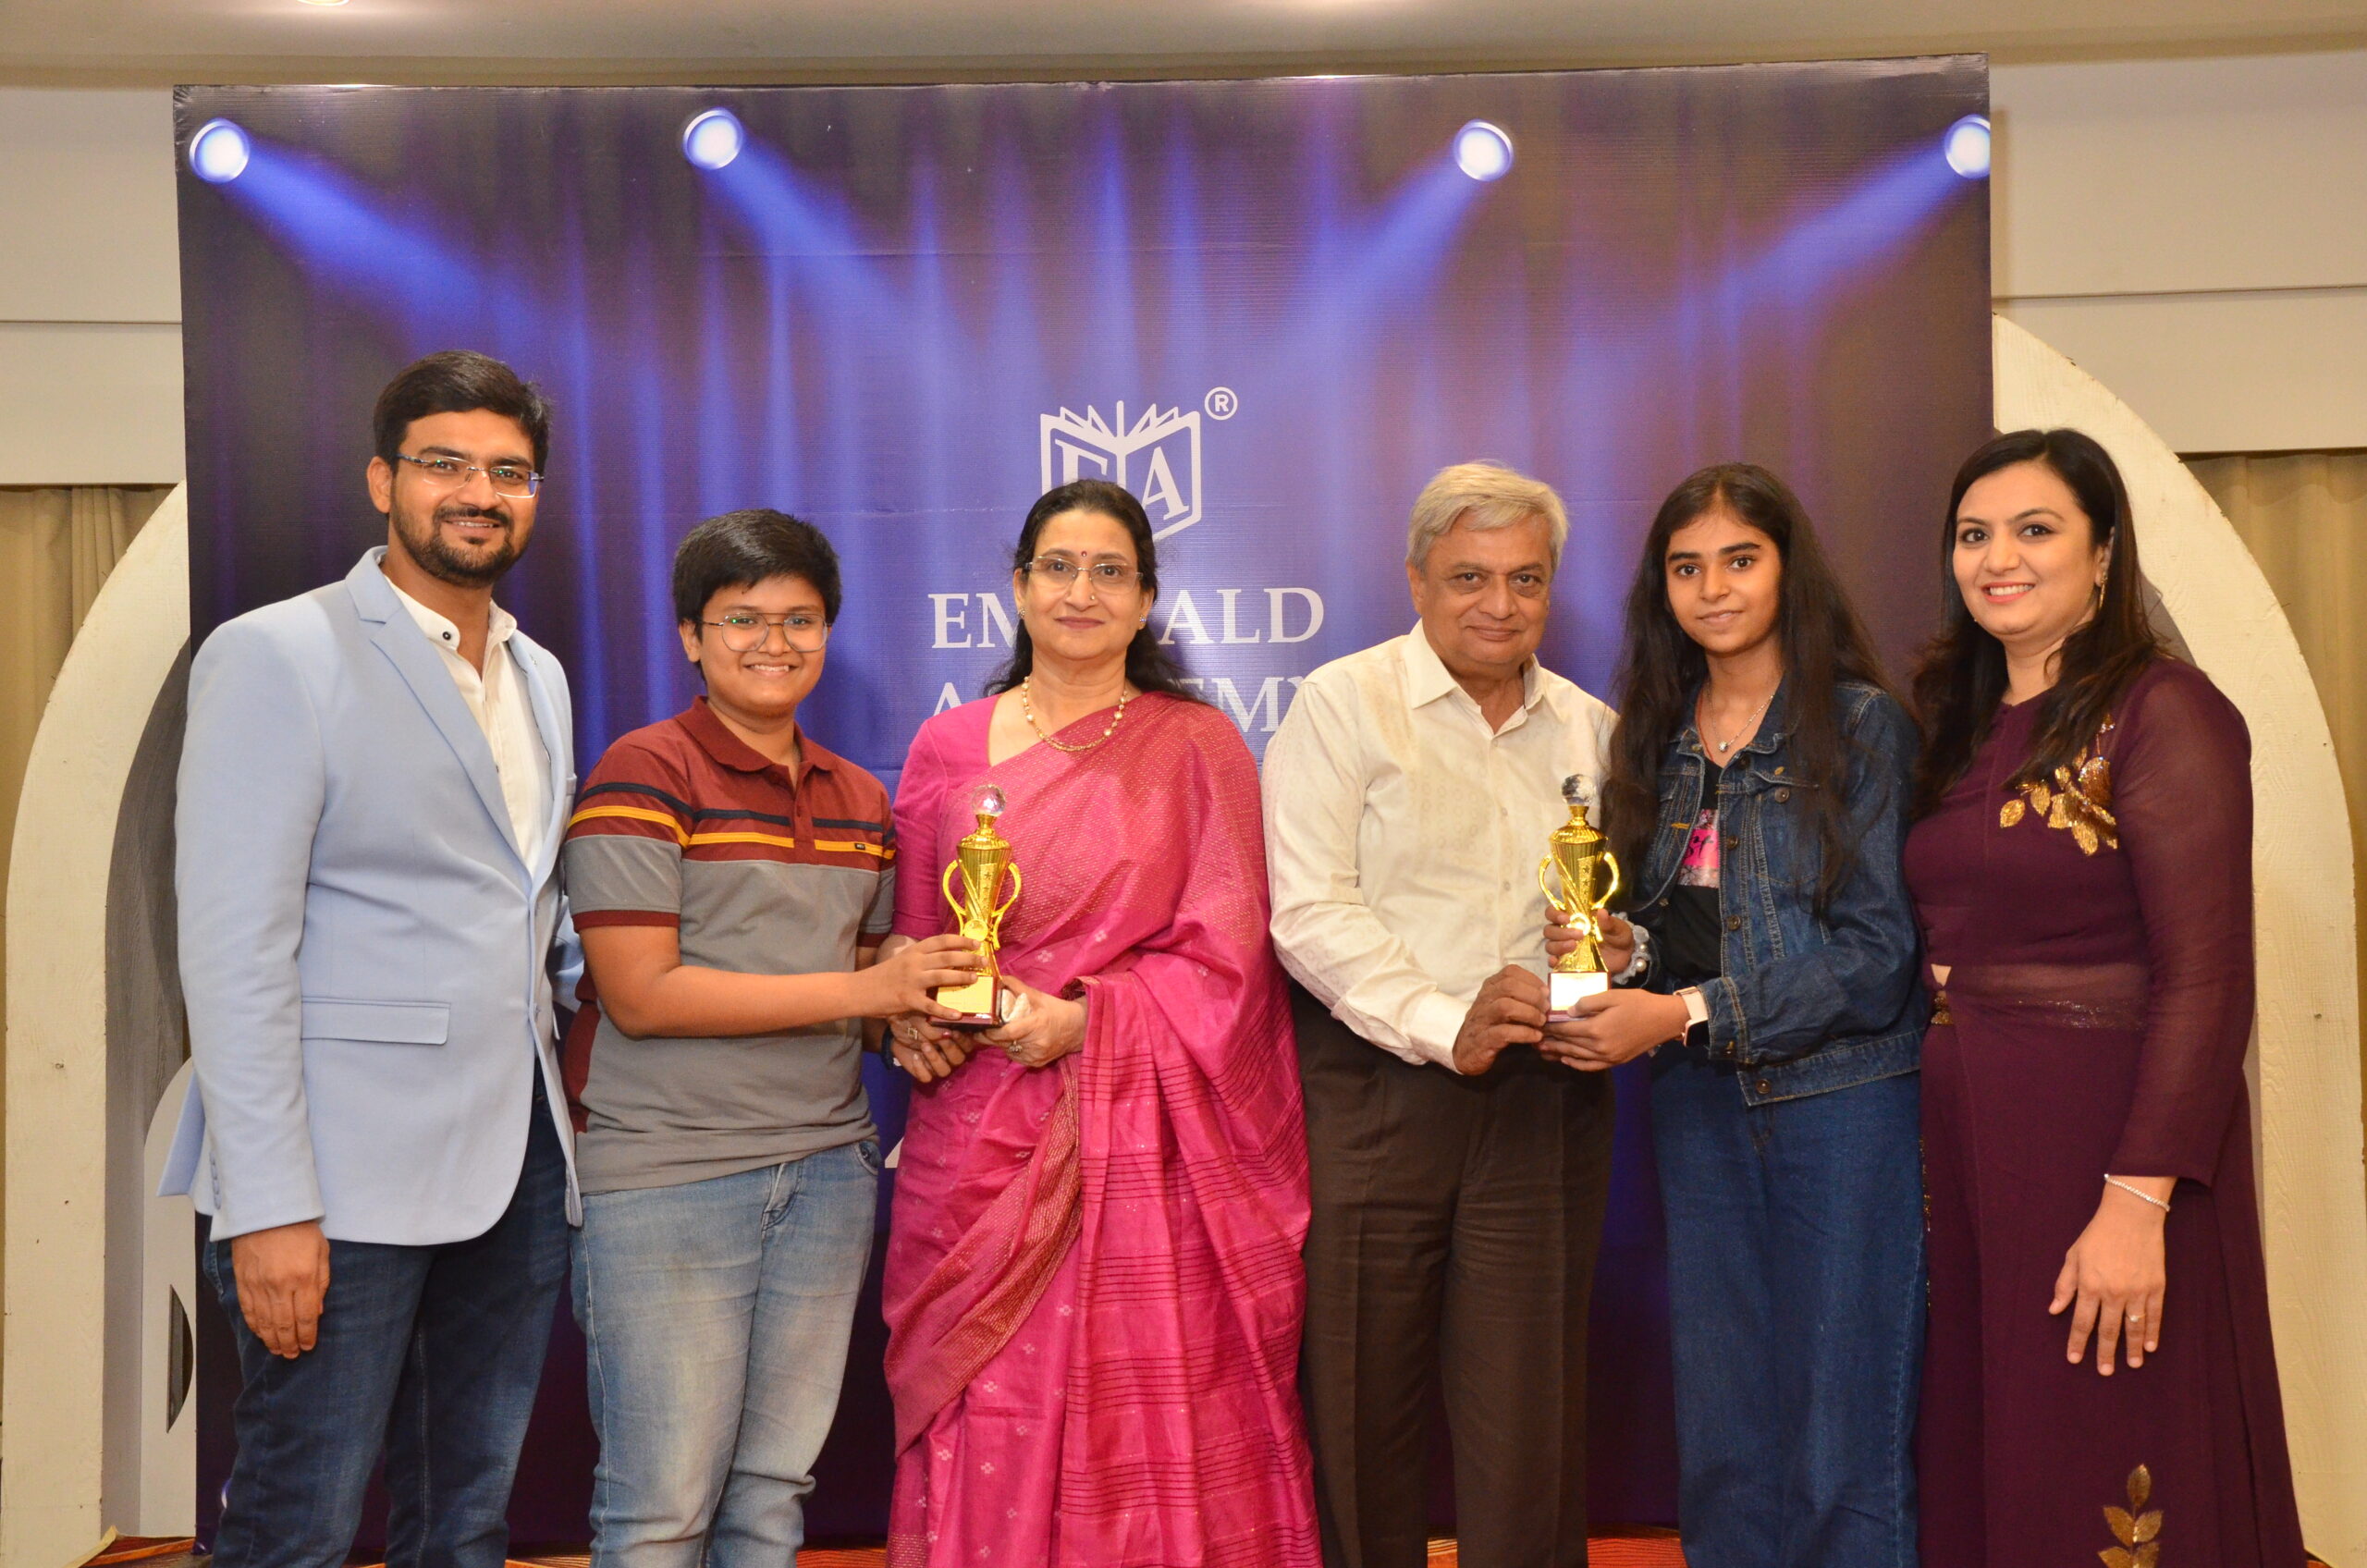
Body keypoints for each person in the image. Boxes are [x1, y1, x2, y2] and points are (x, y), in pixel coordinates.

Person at [164, 350, 579, 1568]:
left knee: (468, 1519)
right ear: (381, 481)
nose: (479, 492)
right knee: (298, 1522)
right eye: (446, 463)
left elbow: (528, 910)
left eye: (510, 472)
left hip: (515, 1165)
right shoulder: (278, 653)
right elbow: (234, 949)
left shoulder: (539, 673)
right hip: (336, 1184)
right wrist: (270, 1204)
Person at [877, 478, 1319, 1568]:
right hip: (974, 1135)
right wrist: (902, 1007)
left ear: (1146, 599)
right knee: (983, 1402)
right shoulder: (946, 745)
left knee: (1146, 1396)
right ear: (1018, 586)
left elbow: (1232, 959)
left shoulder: (1197, 745)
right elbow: (916, 934)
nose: (1082, 591)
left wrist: (1090, 1022)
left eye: (1109, 571)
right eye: (1059, 567)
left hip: (1140, 1139)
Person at [1905, 428, 2306, 1566]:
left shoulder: (2162, 708)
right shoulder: (1958, 722)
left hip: (2105, 1147)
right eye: (1973, 534)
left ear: (2102, 553)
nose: (1997, 558)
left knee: (2113, 1432)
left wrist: (2137, 1200)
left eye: (2035, 529)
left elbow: (2207, 974)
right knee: (2003, 1442)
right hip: (1971, 1152)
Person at [558, 510, 980, 1567]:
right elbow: (643, 994)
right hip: (667, 1177)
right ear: (691, 637)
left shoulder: (860, 797)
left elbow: (866, 992)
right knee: (661, 1507)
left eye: (799, 619)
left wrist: (912, 1024)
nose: (773, 642)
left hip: (826, 1173)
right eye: (741, 619)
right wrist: (869, 987)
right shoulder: (642, 772)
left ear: (828, 631)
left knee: (771, 1497)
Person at [1550, 463, 1925, 1568]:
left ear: (1786, 570)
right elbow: (1685, 924)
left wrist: (1677, 1010)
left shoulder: (1859, 728)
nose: (1712, 588)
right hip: (1700, 1110)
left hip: (1844, 1107)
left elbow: (1876, 958)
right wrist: (1624, 951)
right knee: (1722, 1432)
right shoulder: (1657, 740)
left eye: (1739, 560)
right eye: (1686, 567)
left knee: (1842, 1427)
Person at [1263, 460, 1617, 1568]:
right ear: (1416, 579)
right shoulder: (1341, 703)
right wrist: (1439, 1019)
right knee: (1361, 1411)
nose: (1498, 604)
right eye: (1469, 576)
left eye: (1525, 579)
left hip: (1542, 1100)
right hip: (1374, 1092)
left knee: (1528, 1427)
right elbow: (1307, 910)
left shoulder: (1592, 731)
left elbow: (1631, 917)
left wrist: (1620, 957)